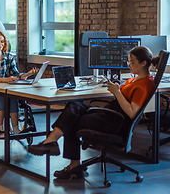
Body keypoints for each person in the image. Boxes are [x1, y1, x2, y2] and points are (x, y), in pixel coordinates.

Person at [27, 46, 159, 179]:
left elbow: (132, 113)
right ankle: (52, 142)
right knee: (73, 106)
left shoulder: (145, 84)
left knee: (73, 119)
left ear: (143, 63)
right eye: (128, 61)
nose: (128, 65)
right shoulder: (135, 79)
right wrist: (116, 89)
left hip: (115, 122)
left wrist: (116, 92)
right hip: (110, 114)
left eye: (132, 62)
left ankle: (67, 159)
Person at [0, 29, 38, 138]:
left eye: (2, 41)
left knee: (11, 95)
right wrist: (5, 80)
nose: (0, 44)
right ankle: (0, 129)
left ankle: (16, 129)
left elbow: (16, 75)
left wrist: (28, 74)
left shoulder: (9, 57)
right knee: (4, 95)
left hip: (4, 92)